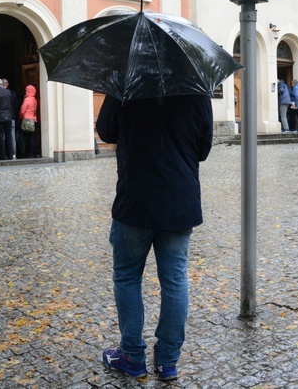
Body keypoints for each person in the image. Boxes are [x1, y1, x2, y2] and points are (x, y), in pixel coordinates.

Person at [96, 94, 213, 382]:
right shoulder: (194, 88)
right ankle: (167, 362)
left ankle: (132, 356)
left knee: (127, 277)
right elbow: (203, 147)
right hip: (178, 199)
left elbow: (106, 131)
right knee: (175, 279)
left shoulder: (127, 83)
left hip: (136, 198)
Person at [17, 84, 38, 158]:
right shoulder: (34, 99)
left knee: (25, 138)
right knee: (32, 138)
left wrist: (20, 117)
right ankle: (33, 153)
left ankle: (26, 153)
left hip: (26, 120)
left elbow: (22, 111)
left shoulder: (27, 99)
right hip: (33, 120)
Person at [2, 78, 20, 160]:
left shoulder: (0, 93)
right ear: (7, 84)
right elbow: (16, 105)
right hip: (11, 116)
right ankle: (13, 153)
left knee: (3, 135)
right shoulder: (12, 93)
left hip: (2, 117)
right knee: (12, 136)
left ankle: (5, 153)